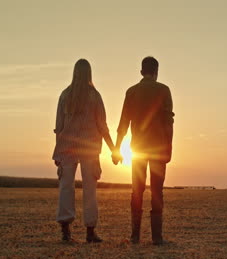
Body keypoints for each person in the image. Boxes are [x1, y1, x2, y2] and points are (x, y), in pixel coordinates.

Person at [112, 56, 174, 245]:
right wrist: (169, 149)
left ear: (141, 72)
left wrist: (116, 148)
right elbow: (169, 124)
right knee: (157, 192)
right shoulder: (164, 90)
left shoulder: (131, 92)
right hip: (158, 149)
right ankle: (157, 237)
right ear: (157, 72)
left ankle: (135, 235)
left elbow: (123, 123)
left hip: (137, 149)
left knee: (136, 191)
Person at [52, 59, 115, 243]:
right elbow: (102, 126)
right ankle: (90, 231)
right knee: (90, 190)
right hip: (89, 149)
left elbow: (59, 126)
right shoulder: (94, 96)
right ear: (89, 73)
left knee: (66, 189)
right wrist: (113, 149)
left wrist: (58, 152)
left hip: (66, 149)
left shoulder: (65, 95)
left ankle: (65, 230)